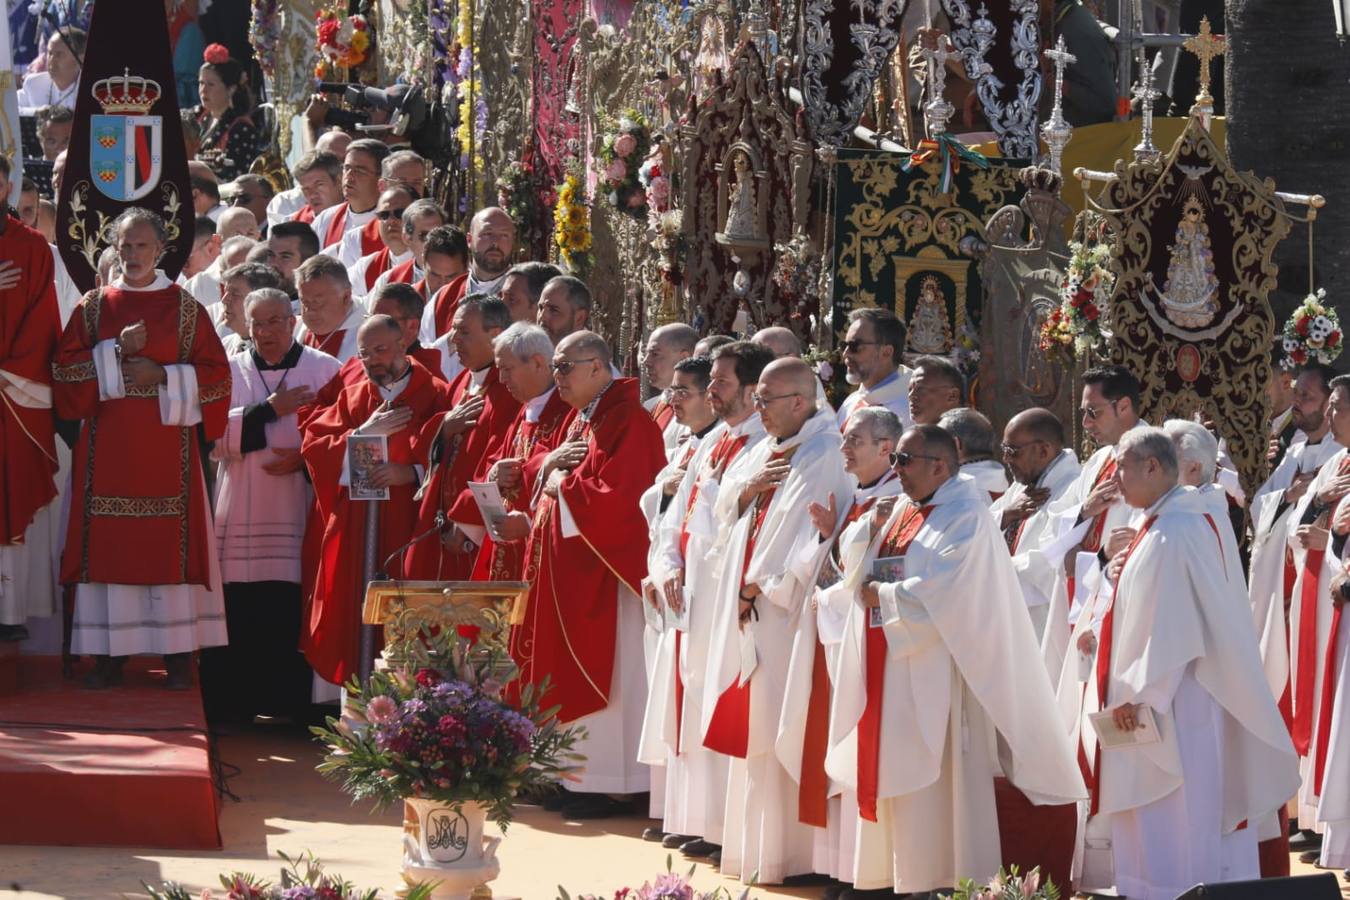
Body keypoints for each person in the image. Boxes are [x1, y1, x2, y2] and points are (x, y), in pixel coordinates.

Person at [830, 425, 1085, 896]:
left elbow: (948, 591)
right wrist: (867, 528)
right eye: (896, 461)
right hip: (892, 664)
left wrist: (880, 595)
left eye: (905, 461)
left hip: (940, 675)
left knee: (938, 789)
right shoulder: (908, 506)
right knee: (892, 773)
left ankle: (940, 879)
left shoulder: (966, 516)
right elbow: (869, 559)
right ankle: (891, 875)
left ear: (940, 466)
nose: (896, 471)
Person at [1076, 428, 1297, 899]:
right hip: (1162, 694)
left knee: (1172, 816)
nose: (1114, 479)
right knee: (1155, 819)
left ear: (1153, 467)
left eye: (1123, 468)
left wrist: (1139, 696)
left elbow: (1171, 628)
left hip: (1173, 701)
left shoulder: (1174, 531)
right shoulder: (1162, 524)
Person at [51, 208, 231, 689]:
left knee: (164, 545)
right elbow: (65, 374)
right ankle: (110, 654)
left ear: (161, 249)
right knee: (108, 546)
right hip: (105, 451)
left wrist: (163, 375)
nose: (133, 255)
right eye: (125, 246)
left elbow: (217, 380)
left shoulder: (185, 308)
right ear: (115, 248)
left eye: (142, 246)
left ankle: (175, 653)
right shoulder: (93, 307)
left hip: (166, 451)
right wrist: (112, 352)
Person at [702, 357, 853, 884]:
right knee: (755, 728)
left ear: (800, 402)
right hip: (754, 608)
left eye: (767, 400)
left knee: (779, 725)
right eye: (757, 399)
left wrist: (754, 586)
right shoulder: (770, 447)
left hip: (784, 614)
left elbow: (805, 538)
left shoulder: (824, 453)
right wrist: (745, 492)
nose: (757, 408)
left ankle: (792, 856)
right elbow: (723, 506)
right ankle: (755, 852)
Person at [510, 330, 667, 818]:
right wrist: (552, 479)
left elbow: (624, 502)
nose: (556, 377)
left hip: (608, 579)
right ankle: (571, 776)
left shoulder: (629, 422)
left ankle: (615, 783)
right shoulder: (587, 418)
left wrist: (563, 486)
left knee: (614, 682)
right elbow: (565, 479)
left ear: (597, 367)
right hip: (572, 576)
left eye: (564, 367)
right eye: (555, 367)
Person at [778, 407, 903, 893]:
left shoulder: (894, 501)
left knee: (860, 748)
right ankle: (842, 867)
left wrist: (832, 573)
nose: (844, 450)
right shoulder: (859, 496)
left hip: (866, 646)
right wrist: (830, 532)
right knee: (835, 749)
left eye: (855, 442)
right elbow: (838, 563)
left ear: (886, 448)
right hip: (835, 640)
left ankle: (868, 874)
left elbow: (867, 577)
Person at [202, 289, 340, 723]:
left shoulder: (325, 370)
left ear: (294, 321)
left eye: (276, 321)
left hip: (299, 508)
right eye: (257, 323)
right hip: (240, 507)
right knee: (242, 607)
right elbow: (212, 438)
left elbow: (346, 433)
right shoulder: (229, 370)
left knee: (290, 605)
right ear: (244, 325)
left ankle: (294, 707)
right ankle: (237, 706)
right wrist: (268, 410)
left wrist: (306, 457)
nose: (266, 332)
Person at [298, 315, 451, 687]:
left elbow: (454, 455)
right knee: (356, 609)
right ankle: (361, 695)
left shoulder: (435, 393)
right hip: (358, 524)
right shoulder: (355, 396)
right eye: (365, 354)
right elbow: (314, 447)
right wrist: (361, 434)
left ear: (403, 345)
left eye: (381, 350)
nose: (373, 361)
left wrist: (411, 473)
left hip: (409, 522)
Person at [637, 354, 726, 847]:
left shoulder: (718, 445)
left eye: (683, 392)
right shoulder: (688, 443)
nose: (673, 401)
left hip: (704, 592)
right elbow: (662, 510)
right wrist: (664, 562)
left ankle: (703, 821)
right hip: (674, 587)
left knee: (696, 706)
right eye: (670, 392)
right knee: (675, 704)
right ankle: (682, 815)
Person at [1039, 365, 1146, 681]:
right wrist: (1084, 511)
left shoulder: (1154, 454)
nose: (1085, 423)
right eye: (1084, 413)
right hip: (1083, 591)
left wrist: (1099, 561)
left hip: (1118, 595)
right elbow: (1053, 524)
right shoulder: (1099, 461)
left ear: (1123, 406)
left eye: (1093, 413)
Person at [1249, 365, 1341, 727]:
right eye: (1297, 394)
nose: (1297, 403)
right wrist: (1291, 495)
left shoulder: (1339, 454)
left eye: (1307, 397)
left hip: (1315, 575)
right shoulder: (1297, 448)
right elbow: (1260, 504)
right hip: (1280, 578)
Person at [404, 296, 521, 581]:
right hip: (444, 521)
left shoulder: (508, 390)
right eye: (454, 330)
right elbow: (427, 445)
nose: (454, 339)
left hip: (473, 534)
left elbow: (503, 460)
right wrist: (444, 428)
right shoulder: (461, 384)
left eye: (464, 331)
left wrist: (468, 522)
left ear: (495, 335)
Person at [1284, 375, 1350, 842]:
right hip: (1329, 603)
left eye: (1338, 407)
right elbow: (1296, 525)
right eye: (1329, 406)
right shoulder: (1339, 462)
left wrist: (1333, 544)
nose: (1329, 416)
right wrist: (1323, 510)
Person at [0, 157, 61, 643]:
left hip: (11, 395)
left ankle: (9, 610)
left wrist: (8, 373)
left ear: (7, 185)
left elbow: (45, 319)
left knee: (12, 489)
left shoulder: (34, 248)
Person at [474, 323, 573, 582]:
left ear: (539, 363)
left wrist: (529, 522)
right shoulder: (525, 408)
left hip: (542, 551)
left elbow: (571, 488)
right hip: (507, 546)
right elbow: (497, 461)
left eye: (508, 369)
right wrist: (494, 473)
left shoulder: (568, 411)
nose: (502, 379)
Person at [990, 408, 1080, 642]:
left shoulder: (1072, 490)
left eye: (1012, 451)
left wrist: (993, 571)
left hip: (1039, 620)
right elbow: (984, 525)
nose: (1006, 459)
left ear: (1043, 450)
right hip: (1004, 612)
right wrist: (1006, 515)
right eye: (1004, 450)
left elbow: (1051, 562)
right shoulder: (1020, 486)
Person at [420, 207, 515, 342]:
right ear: (469, 240)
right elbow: (427, 352)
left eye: (504, 235)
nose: (496, 242)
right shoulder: (443, 298)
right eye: (487, 234)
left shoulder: (523, 294)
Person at [312, 139, 390, 260]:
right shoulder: (326, 220)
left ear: (380, 179)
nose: (349, 176)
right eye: (346, 168)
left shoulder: (391, 222)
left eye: (360, 170)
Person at [836, 308, 911, 431]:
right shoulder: (851, 401)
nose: (845, 354)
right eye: (844, 345)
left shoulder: (909, 412)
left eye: (855, 346)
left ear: (886, 352)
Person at [193, 44, 259, 182]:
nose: (203, 90)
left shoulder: (242, 128)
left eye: (210, 84)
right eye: (201, 83)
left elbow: (238, 178)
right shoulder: (198, 116)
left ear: (231, 89)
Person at [367, 199, 448, 297]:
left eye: (438, 234)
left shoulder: (462, 275)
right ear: (407, 238)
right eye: (425, 236)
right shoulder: (388, 280)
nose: (434, 242)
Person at [294, 254, 366, 363]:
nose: (310, 311)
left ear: (346, 297)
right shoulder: (292, 328)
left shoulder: (369, 334)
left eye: (317, 302)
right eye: (304, 302)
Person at [642, 323, 698, 454]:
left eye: (655, 354)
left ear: (684, 358)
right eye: (646, 354)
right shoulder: (649, 406)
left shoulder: (699, 413)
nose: (646, 361)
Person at [349, 186, 415, 296]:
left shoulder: (430, 266)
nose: (391, 221)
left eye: (399, 213)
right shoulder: (366, 267)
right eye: (384, 215)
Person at [213, 262, 288, 354]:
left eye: (235, 294)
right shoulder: (224, 346)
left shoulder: (280, 351)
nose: (224, 300)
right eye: (225, 292)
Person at [938, 407, 1008, 503]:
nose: (933, 448)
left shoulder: (957, 493)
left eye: (938, 441)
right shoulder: (1004, 483)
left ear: (955, 445)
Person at [268, 146, 343, 226]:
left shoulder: (356, 214)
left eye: (319, 185)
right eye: (306, 189)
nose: (312, 195)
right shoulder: (294, 225)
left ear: (338, 181)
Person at [17, 28, 84, 114]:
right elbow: (7, 107)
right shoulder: (33, 83)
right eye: (50, 53)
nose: (51, 60)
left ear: (80, 58)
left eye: (59, 54)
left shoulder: (94, 90)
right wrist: (36, 112)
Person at [534, 275, 595, 347]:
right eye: (540, 308)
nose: (542, 316)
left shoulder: (592, 356)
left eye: (553, 310)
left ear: (579, 318)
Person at [905, 355, 963, 426]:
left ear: (952, 396)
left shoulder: (971, 434)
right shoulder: (905, 434)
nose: (911, 396)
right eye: (910, 389)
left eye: (921, 389)